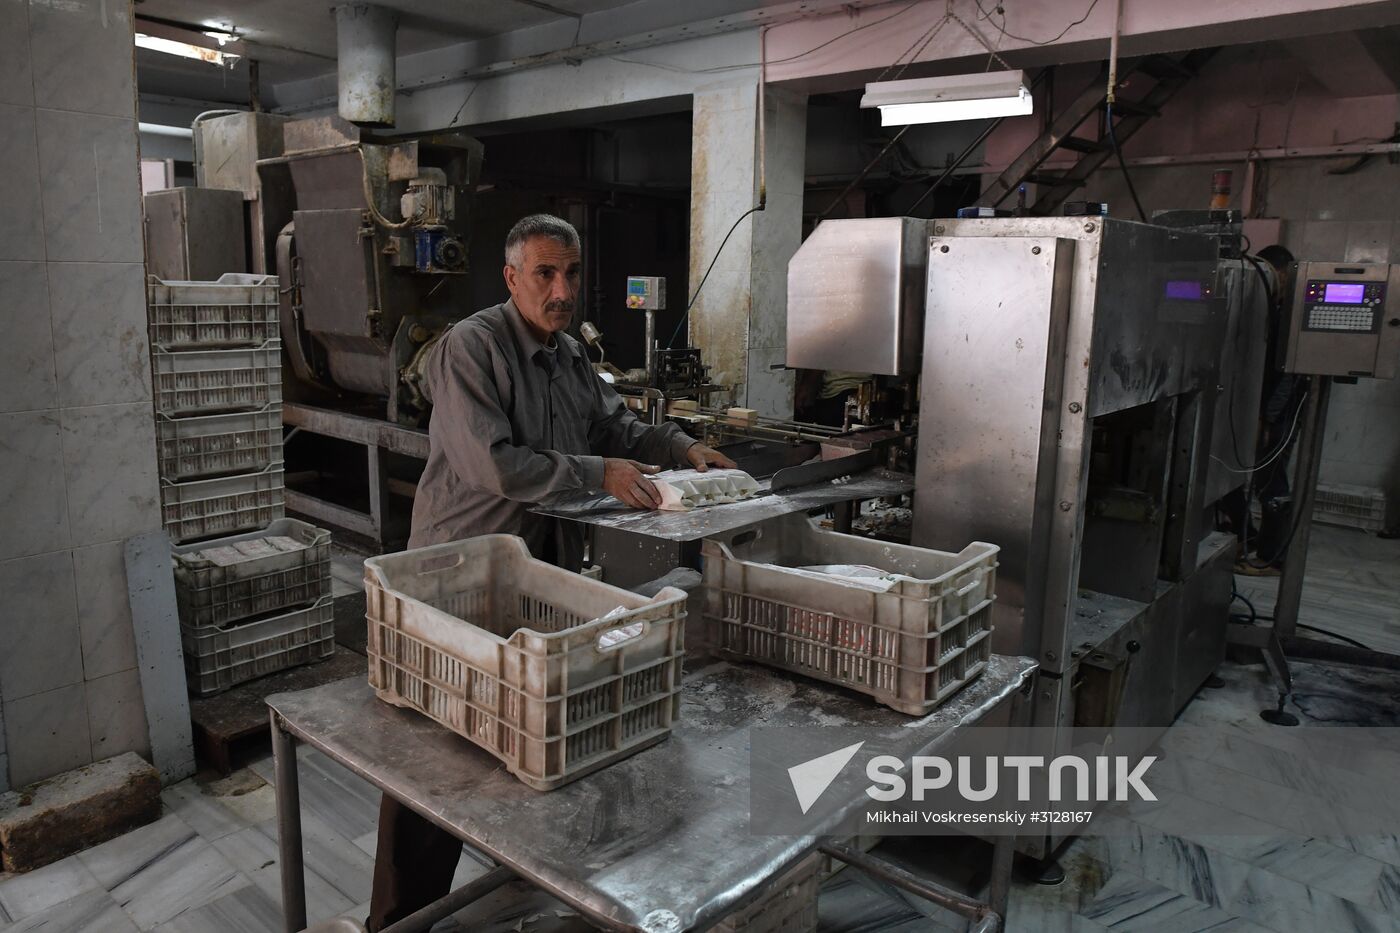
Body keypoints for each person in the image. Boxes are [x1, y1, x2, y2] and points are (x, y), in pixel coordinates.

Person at [368, 213, 735, 930]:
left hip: (537, 576)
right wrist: (603, 472)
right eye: (545, 273)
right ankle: (399, 918)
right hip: (462, 575)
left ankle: (517, 889)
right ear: (512, 278)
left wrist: (683, 446)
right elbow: (494, 464)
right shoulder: (471, 348)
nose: (561, 288)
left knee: (528, 736)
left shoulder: (569, 357)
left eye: (570, 273)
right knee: (439, 755)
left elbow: (617, 428)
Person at [1222, 244, 1306, 574]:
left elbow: (1289, 376)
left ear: (1282, 273)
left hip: (1280, 415)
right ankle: (1250, 537)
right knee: (1237, 474)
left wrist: (1268, 418)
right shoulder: (1274, 308)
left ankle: (1273, 558)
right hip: (1261, 410)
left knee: (1272, 484)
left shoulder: (1292, 313)